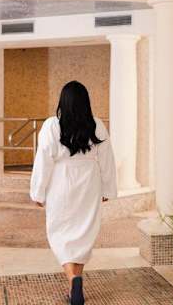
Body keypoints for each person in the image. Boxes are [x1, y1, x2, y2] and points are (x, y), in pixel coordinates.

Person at [30, 80, 117, 305]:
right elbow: (107, 160)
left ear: (63, 102)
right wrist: (108, 188)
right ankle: (75, 282)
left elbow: (43, 160)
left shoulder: (52, 125)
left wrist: (38, 192)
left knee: (60, 232)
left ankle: (73, 280)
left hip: (61, 183)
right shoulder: (97, 125)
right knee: (83, 233)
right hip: (89, 183)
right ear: (86, 102)